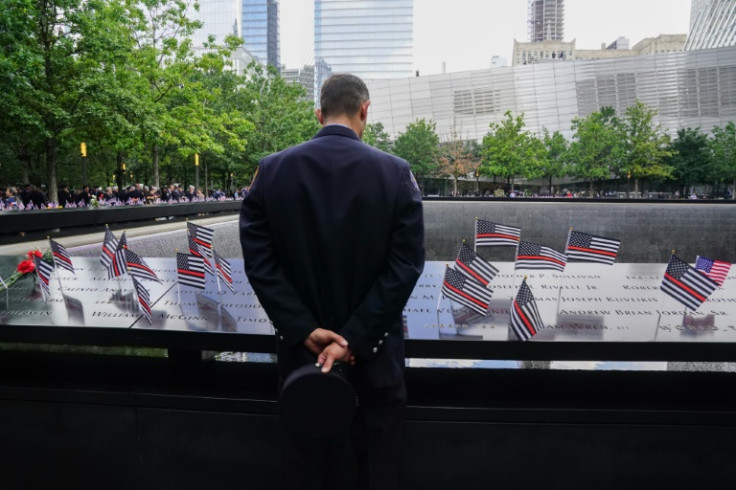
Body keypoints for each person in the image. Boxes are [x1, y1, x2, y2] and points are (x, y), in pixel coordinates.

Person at [240, 73, 425, 490]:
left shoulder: (271, 172)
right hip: (375, 370)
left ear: (318, 113)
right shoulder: (396, 175)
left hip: (302, 370)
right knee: (377, 473)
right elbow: (406, 267)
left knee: (305, 473)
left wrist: (302, 329)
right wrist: (353, 339)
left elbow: (259, 261)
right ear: (365, 110)